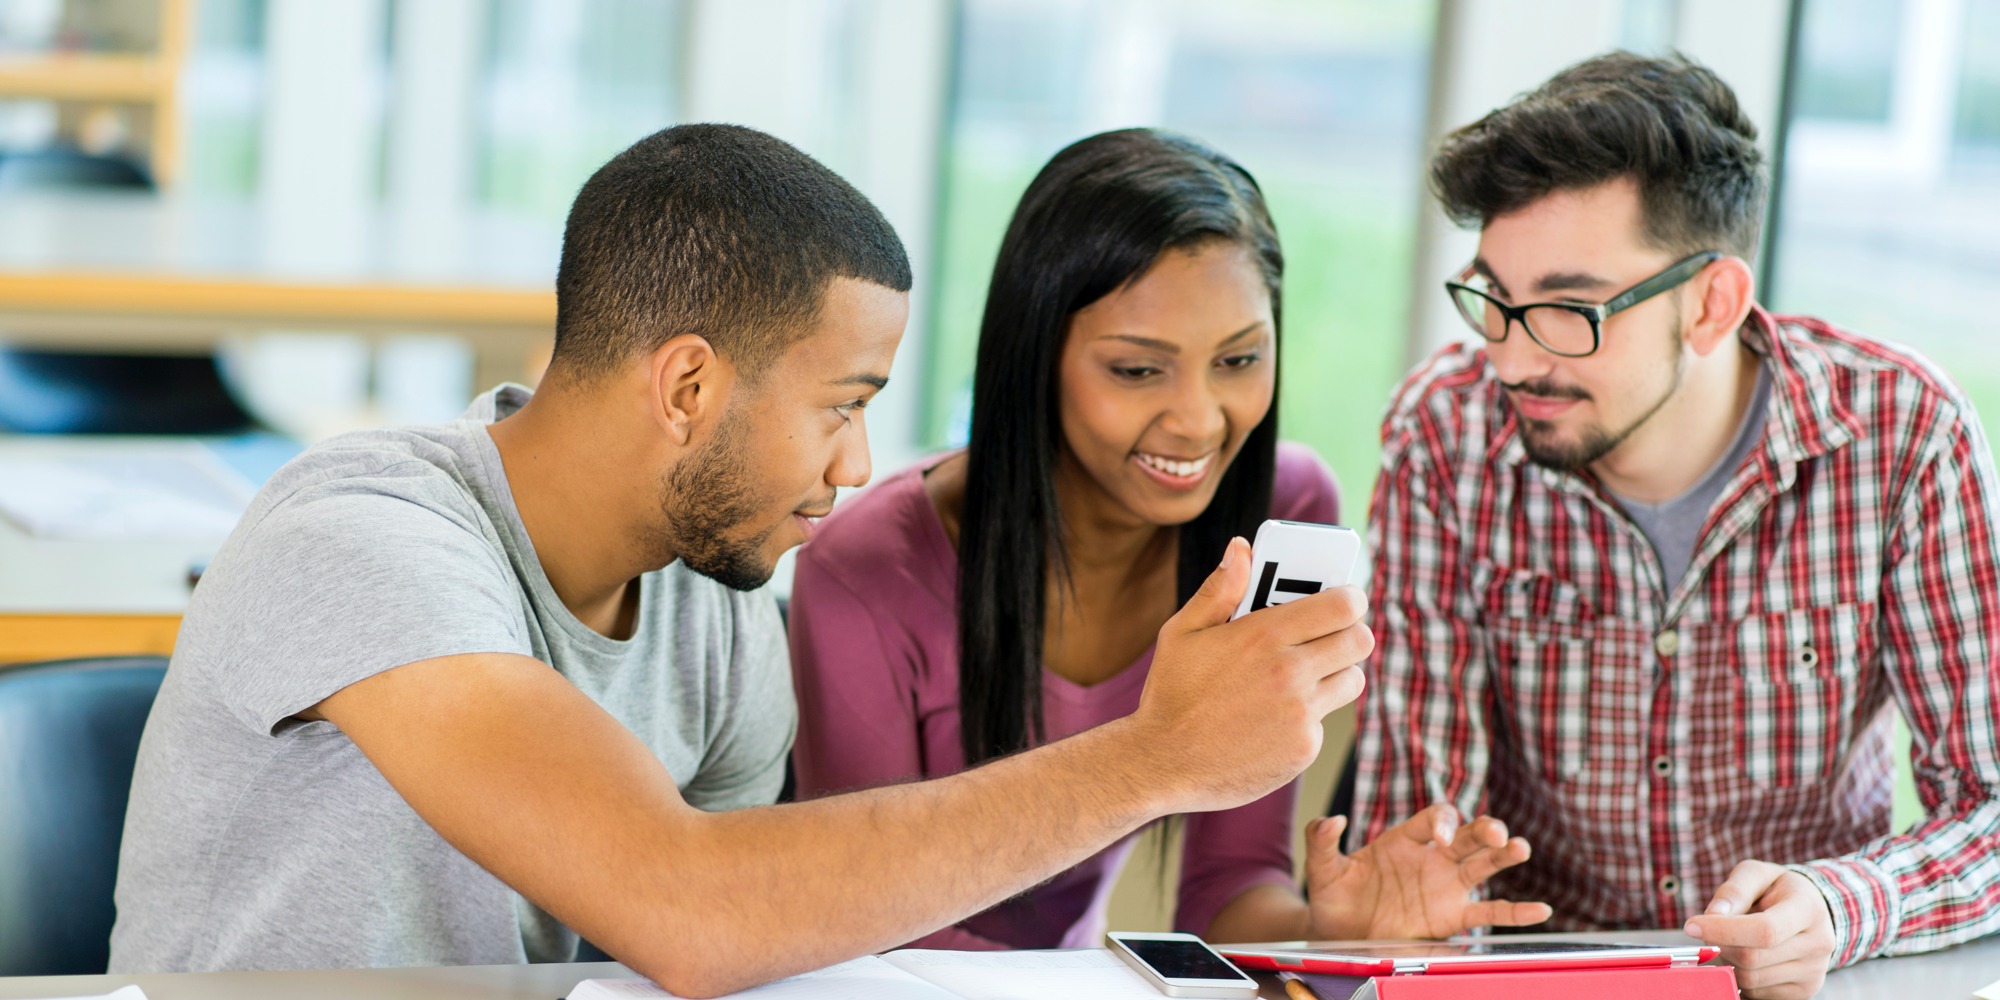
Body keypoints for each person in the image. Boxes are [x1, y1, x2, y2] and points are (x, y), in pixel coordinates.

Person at [108, 124, 1377, 997]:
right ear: (689, 385)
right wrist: (1152, 757)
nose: (854, 463)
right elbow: (688, 908)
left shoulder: (711, 611)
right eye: (840, 404)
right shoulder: (365, 536)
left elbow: (762, 931)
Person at [789, 128, 1549, 951]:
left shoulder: (1282, 512)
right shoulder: (865, 572)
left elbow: (1227, 888)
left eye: (1239, 359)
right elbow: (850, 925)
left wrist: (1330, 930)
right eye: (1138, 370)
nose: (1198, 420)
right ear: (1036, 356)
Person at [1349, 51, 2000, 1000]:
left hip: (1813, 983)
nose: (1515, 358)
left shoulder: (1901, 437)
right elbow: (1416, 813)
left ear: (1712, 304)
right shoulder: (1443, 439)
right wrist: (1409, 885)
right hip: (1541, 982)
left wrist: (1840, 904)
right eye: (1494, 300)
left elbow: (1991, 809)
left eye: (1570, 310)